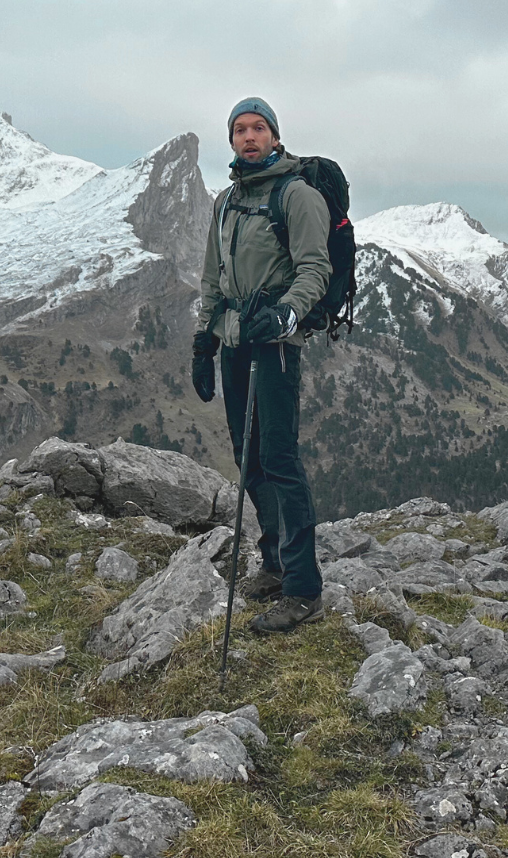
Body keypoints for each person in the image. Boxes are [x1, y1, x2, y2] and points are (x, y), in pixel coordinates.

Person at [191, 96, 332, 634]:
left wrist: (286, 316)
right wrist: (203, 342)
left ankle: (303, 589)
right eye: (240, 130)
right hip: (234, 341)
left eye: (259, 128)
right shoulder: (226, 202)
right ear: (230, 140)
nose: (249, 137)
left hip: (275, 344)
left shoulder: (297, 196)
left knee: (279, 459)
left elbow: (314, 268)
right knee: (247, 455)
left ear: (275, 136)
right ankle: (274, 563)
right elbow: (212, 277)